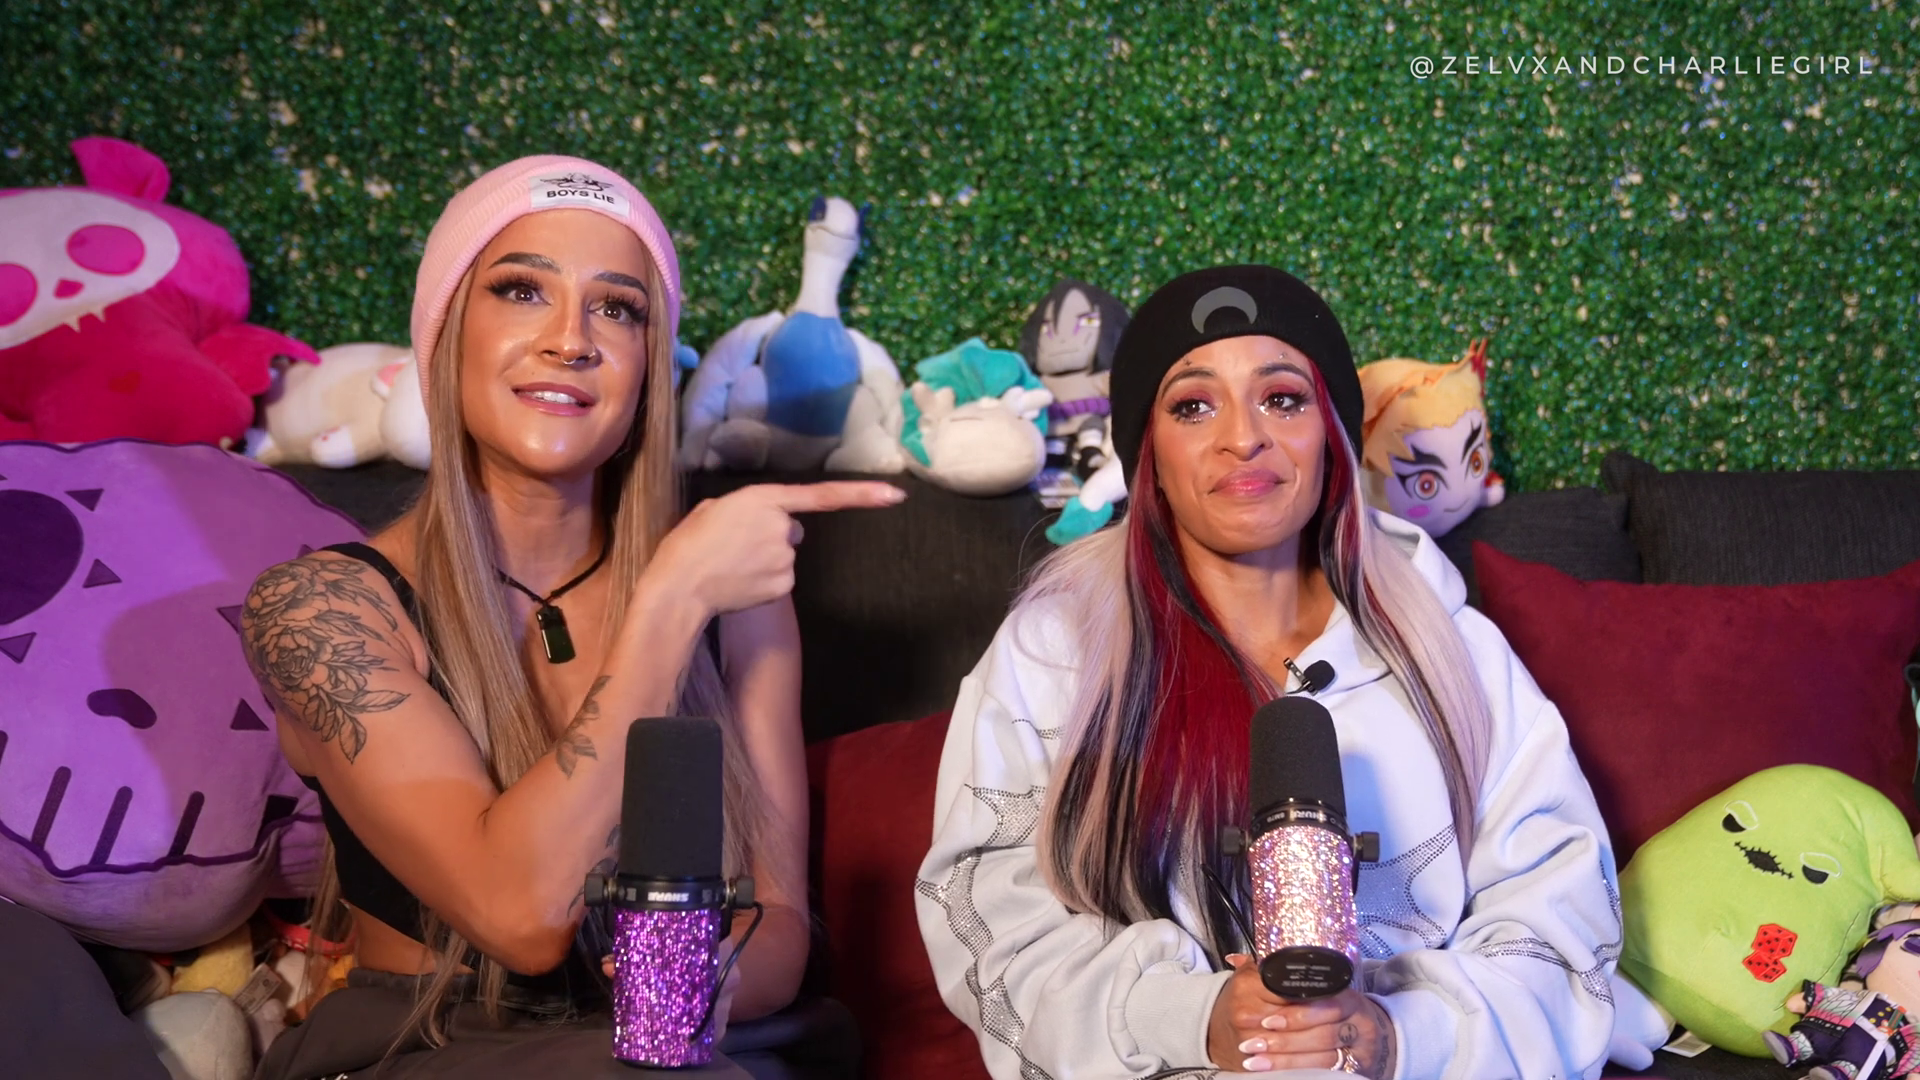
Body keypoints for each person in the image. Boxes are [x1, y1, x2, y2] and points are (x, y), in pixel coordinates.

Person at [242, 155, 902, 1077]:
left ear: (648, 367)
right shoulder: (320, 610)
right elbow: (519, 916)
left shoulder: (742, 598)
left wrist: (695, 985)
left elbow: (780, 921)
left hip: (694, 1047)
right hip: (435, 1048)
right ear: (446, 335)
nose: (571, 340)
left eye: (618, 309)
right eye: (522, 291)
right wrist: (669, 602)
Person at [916, 266, 1657, 1078]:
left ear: (1331, 436)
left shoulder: (1459, 655)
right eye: (1193, 406)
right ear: (1146, 453)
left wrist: (1395, 1034)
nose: (1244, 437)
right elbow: (990, 926)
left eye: (1282, 398)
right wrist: (1197, 1019)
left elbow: (1560, 919)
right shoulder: (1054, 653)